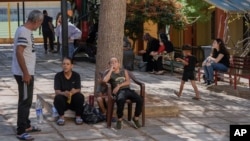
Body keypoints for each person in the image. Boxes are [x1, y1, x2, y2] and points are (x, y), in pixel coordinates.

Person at [12, 10, 43, 141]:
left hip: (28, 72)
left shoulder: (26, 31)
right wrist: (25, 72)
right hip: (24, 74)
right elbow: (19, 53)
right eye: (40, 23)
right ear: (36, 21)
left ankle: (27, 125)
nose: (39, 26)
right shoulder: (24, 31)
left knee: (28, 100)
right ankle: (21, 131)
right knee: (25, 101)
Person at [103, 57, 143, 129]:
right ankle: (119, 119)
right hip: (119, 92)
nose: (114, 63)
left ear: (119, 64)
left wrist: (119, 86)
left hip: (127, 90)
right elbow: (105, 81)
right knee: (121, 100)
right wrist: (110, 70)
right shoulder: (110, 73)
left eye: (115, 62)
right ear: (109, 65)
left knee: (140, 99)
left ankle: (136, 118)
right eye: (112, 62)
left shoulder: (123, 71)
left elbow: (128, 82)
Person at [53, 57, 85, 126]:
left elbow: (78, 89)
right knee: (58, 98)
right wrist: (63, 93)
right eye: (64, 64)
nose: (65, 66)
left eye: (68, 64)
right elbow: (57, 91)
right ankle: (61, 117)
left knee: (80, 96)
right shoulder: (58, 76)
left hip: (73, 100)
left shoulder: (76, 75)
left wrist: (74, 91)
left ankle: (78, 117)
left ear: (72, 66)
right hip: (63, 101)